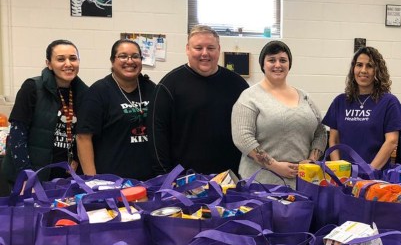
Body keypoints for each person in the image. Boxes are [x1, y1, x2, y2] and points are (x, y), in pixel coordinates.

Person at [150, 25, 249, 175]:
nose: (205, 53)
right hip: (184, 182)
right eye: (198, 48)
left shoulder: (238, 84)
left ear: (218, 49)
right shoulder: (169, 85)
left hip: (230, 178)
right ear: (187, 49)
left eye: (210, 48)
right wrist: (166, 177)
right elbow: (157, 135)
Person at [231, 41, 326, 187]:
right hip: (261, 183)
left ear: (289, 64)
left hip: (302, 182)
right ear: (263, 64)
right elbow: (242, 137)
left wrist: (312, 161)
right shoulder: (250, 97)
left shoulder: (305, 97)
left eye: (283, 60)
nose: (277, 65)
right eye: (271, 60)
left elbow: (320, 132)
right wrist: (275, 166)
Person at [1, 39, 88, 183]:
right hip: (32, 173)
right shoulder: (32, 87)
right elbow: (17, 135)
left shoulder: (84, 93)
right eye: (60, 59)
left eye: (73, 58)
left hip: (66, 175)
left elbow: (83, 135)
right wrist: (26, 177)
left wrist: (77, 159)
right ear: (49, 64)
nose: (68, 64)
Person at [75, 39, 156, 180]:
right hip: (110, 181)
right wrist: (92, 180)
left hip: (148, 180)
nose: (130, 61)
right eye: (123, 56)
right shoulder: (98, 92)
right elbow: (83, 137)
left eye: (135, 56)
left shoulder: (152, 89)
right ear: (112, 61)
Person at [323, 46, 401, 170]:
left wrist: (369, 172)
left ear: (378, 71)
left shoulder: (389, 102)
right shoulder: (340, 101)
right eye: (359, 65)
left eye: (369, 66)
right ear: (353, 69)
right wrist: (339, 171)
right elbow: (334, 140)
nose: (363, 70)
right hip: (345, 178)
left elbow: (392, 141)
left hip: (375, 177)